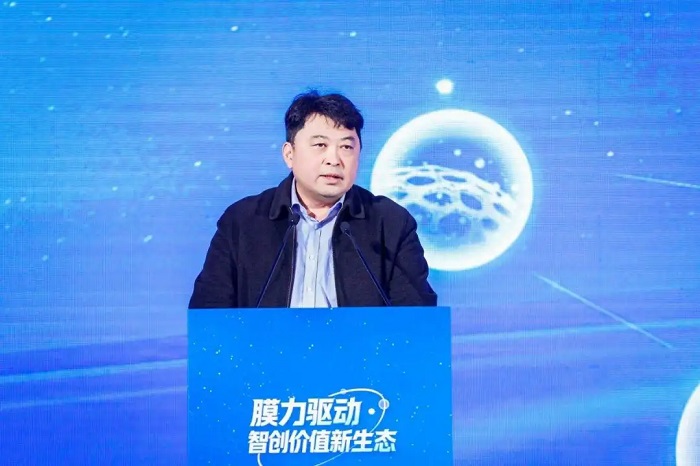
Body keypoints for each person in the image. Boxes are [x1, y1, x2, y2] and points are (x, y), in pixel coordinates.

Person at [188, 90, 437, 308]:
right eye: (320, 145)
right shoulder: (242, 222)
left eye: (346, 147)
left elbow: (417, 318)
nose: (334, 159)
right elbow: (209, 314)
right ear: (289, 154)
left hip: (361, 350)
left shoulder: (391, 223)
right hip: (264, 350)